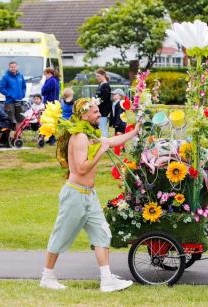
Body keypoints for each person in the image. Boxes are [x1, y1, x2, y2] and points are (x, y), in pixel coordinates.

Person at [40, 98, 140, 292]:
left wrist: (134, 132)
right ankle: (47, 276)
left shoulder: (89, 135)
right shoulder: (79, 137)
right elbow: (81, 169)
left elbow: (109, 141)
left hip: (89, 196)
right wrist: (100, 152)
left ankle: (106, 279)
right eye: (95, 112)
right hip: (75, 196)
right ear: (84, 115)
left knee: (102, 233)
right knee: (61, 235)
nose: (99, 115)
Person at [0, 61, 26, 130]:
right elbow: (1, 89)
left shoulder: (20, 75)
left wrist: (23, 94)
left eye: (14, 67)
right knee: (10, 120)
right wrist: (10, 95)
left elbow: (24, 87)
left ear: (17, 67)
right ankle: (9, 137)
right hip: (10, 102)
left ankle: (17, 137)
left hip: (19, 101)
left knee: (20, 119)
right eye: (11, 67)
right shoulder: (5, 77)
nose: (13, 68)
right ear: (9, 67)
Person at [41, 67, 61, 145]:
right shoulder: (53, 80)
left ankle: (52, 139)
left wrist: (44, 87)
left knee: (50, 121)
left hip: (51, 103)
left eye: (45, 75)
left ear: (49, 73)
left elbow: (43, 91)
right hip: (52, 103)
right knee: (49, 121)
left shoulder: (51, 80)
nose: (45, 76)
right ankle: (50, 137)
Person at [109, 88, 127, 155]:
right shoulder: (114, 103)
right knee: (119, 136)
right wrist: (111, 123)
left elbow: (119, 114)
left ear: (120, 96)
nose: (113, 96)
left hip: (121, 123)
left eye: (114, 94)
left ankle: (118, 151)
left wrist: (117, 123)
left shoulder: (120, 104)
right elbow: (113, 114)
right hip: (117, 123)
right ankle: (122, 148)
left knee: (118, 136)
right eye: (112, 95)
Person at [95, 68, 112, 137]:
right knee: (99, 128)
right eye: (96, 76)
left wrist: (95, 103)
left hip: (104, 111)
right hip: (99, 110)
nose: (97, 78)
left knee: (102, 128)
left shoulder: (106, 86)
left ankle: (105, 144)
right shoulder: (100, 85)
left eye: (98, 76)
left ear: (103, 75)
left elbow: (102, 99)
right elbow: (97, 97)